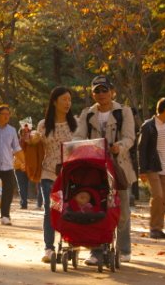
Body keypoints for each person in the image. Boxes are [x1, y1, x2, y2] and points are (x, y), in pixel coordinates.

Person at [73, 75, 136, 264]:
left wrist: (120, 146)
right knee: (96, 208)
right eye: (97, 91)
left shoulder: (123, 112)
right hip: (94, 168)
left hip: (119, 166)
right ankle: (96, 251)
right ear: (93, 94)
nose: (101, 94)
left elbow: (130, 137)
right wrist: (82, 146)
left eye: (104, 90)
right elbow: (78, 136)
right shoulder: (88, 113)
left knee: (122, 210)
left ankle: (124, 248)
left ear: (112, 91)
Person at [34, 86, 78, 263]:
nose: (67, 103)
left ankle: (70, 245)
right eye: (64, 99)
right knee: (50, 210)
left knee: (71, 210)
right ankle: (49, 248)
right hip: (49, 173)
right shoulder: (43, 125)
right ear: (54, 102)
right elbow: (36, 142)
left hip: (72, 175)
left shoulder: (76, 123)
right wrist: (30, 138)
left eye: (69, 99)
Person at [138, 97, 165, 239]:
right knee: (157, 195)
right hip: (152, 166)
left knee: (163, 199)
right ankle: (154, 228)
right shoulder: (147, 126)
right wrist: (141, 169)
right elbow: (141, 149)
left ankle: (159, 228)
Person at [16, 125, 44, 210]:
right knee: (23, 186)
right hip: (20, 166)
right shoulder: (18, 142)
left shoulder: (36, 141)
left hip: (31, 166)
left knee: (38, 185)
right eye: (23, 133)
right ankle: (25, 204)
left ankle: (37, 204)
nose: (25, 134)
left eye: (26, 132)